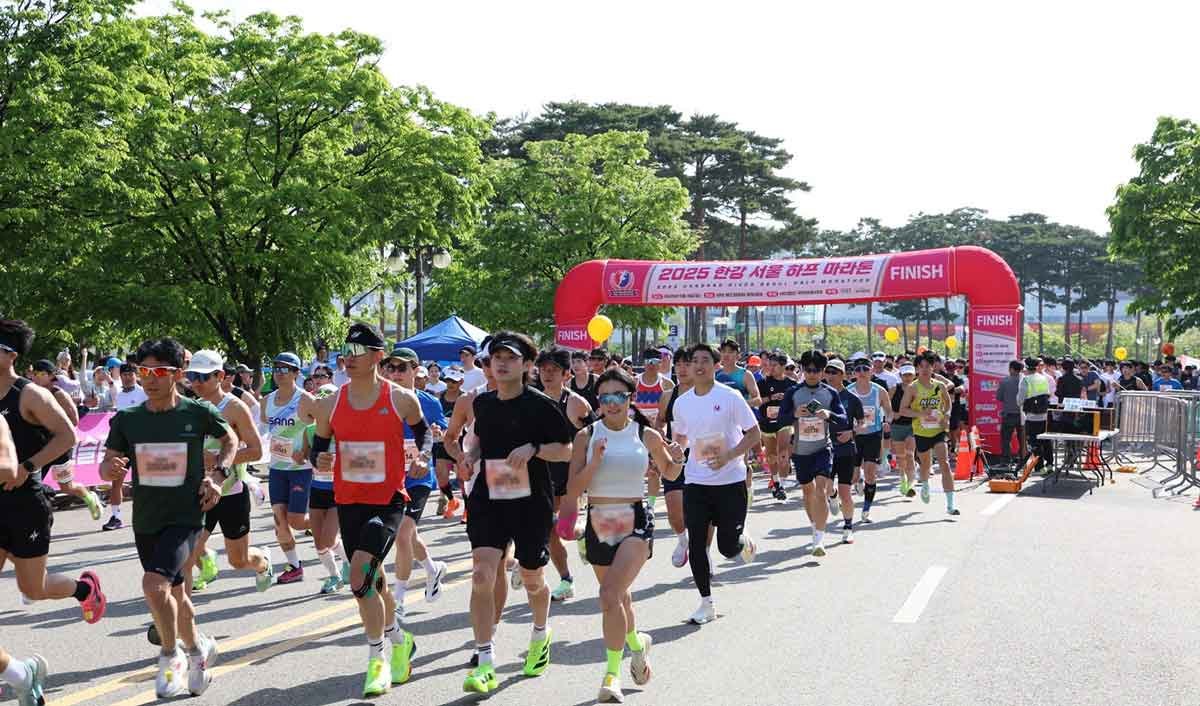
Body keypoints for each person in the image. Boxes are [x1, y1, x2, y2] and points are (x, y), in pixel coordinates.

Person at [100, 337, 231, 697]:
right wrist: (109, 468)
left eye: (158, 371)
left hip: (187, 515)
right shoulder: (128, 419)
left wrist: (218, 476)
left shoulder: (196, 411)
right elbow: (106, 463)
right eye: (143, 371)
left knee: (153, 585)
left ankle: (171, 656)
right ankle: (198, 649)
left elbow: (230, 439)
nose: (149, 378)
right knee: (174, 594)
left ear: (176, 374)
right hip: (147, 518)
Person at [310, 323, 431, 696]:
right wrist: (322, 457)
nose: (349, 357)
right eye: (346, 350)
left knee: (359, 576)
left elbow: (424, 433)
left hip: (389, 500)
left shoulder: (399, 399)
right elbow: (318, 447)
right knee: (372, 582)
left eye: (358, 350)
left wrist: (423, 457)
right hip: (349, 501)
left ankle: (376, 659)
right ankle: (400, 640)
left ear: (378, 355)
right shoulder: (331, 402)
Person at [451, 331, 574, 695]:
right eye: (496, 357)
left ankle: (540, 633)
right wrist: (470, 457)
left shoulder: (540, 405)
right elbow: (478, 442)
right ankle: (484, 661)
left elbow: (565, 450)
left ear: (527, 365)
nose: (502, 363)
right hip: (488, 497)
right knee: (481, 574)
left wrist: (534, 448)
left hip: (530, 502)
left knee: (531, 577)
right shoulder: (483, 404)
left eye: (511, 357)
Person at [559, 368, 684, 703]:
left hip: (634, 518)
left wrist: (678, 460)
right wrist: (594, 463)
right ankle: (637, 644)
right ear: (598, 401)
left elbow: (669, 471)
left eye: (619, 396)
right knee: (618, 598)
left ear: (630, 399)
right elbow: (572, 488)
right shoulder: (586, 436)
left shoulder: (645, 435)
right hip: (600, 519)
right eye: (605, 397)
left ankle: (611, 675)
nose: (612, 403)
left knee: (608, 593)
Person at [0, 319, 107, 624]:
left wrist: (27, 467)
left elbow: (67, 435)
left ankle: (85, 589)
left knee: (33, 587)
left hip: (24, 503)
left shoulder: (31, 394)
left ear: (12, 356)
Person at [670, 342, 760, 624]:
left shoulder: (731, 396)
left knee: (728, 548)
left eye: (705, 360)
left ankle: (742, 541)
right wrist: (675, 449)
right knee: (697, 544)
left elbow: (754, 433)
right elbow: (682, 438)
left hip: (731, 481)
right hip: (696, 482)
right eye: (693, 360)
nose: (698, 365)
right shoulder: (682, 403)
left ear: (716, 365)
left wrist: (730, 456)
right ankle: (706, 603)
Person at [179, 351, 274, 594]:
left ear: (220, 376)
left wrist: (220, 459)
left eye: (203, 377)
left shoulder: (235, 407)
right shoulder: (193, 408)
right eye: (192, 376)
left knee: (238, 561)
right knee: (187, 552)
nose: (197, 382)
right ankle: (184, 622)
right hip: (202, 491)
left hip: (231, 492)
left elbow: (255, 451)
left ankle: (263, 562)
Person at [380, 347, 449, 618]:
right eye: (391, 368)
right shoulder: (381, 401)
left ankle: (398, 600)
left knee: (403, 534)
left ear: (415, 370)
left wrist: (437, 433)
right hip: (389, 478)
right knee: (410, 537)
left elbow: (441, 432)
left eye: (402, 368)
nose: (395, 373)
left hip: (418, 478)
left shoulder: (428, 402)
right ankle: (433, 570)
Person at [534, 347, 593, 603]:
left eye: (553, 371)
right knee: (548, 528)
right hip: (540, 474)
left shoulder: (576, 404)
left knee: (562, 529)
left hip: (570, 476)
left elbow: (596, 436)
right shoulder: (533, 401)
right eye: (543, 370)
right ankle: (566, 579)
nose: (547, 375)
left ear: (566, 374)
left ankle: (580, 533)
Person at [777, 350, 846, 556]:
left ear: (823, 371)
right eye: (808, 370)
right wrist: (794, 414)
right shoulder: (793, 393)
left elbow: (843, 419)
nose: (812, 374)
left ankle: (819, 539)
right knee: (808, 492)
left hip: (822, 449)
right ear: (802, 370)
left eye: (816, 370)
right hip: (800, 450)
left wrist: (829, 414)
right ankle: (815, 526)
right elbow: (780, 420)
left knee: (820, 490)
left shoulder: (830, 393)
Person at [261, 352, 317, 584]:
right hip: (276, 469)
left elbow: (320, 430)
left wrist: (305, 451)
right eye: (276, 368)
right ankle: (294, 566)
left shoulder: (305, 400)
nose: (279, 373)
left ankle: (329, 522)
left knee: (296, 521)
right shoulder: (266, 401)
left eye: (285, 369)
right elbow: (264, 432)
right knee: (280, 522)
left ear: (296, 373)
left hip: (300, 469)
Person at [29, 359, 104, 520]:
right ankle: (34, 519)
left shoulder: (59, 394)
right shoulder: (31, 393)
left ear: (51, 376)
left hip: (61, 445)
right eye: (34, 374)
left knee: (66, 486)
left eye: (41, 374)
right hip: (41, 446)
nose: (36, 377)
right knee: (31, 482)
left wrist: (53, 425)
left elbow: (75, 419)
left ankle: (89, 497)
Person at [295, 383, 350, 594]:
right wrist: (297, 455)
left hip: (339, 490)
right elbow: (302, 456)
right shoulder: (309, 430)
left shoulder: (344, 429)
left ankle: (349, 562)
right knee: (319, 543)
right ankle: (334, 576)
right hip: (317, 488)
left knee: (329, 538)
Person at [901, 351, 958, 515]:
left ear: (933, 367)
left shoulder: (939, 386)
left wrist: (946, 415)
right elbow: (903, 410)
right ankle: (925, 484)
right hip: (921, 432)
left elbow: (948, 404)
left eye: (928, 366)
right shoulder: (913, 388)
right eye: (921, 366)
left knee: (944, 464)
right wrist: (920, 414)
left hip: (938, 431)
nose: (925, 369)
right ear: (917, 368)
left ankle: (950, 505)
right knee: (926, 464)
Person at [657, 347, 695, 568]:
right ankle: (683, 540)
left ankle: (704, 554)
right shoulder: (667, 395)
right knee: (674, 509)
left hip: (701, 458)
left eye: (686, 364)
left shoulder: (705, 394)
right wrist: (661, 434)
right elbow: (661, 421)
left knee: (702, 513)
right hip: (674, 457)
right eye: (678, 364)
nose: (681, 369)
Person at [712, 339, 763, 502]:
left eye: (730, 352)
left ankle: (746, 489)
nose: (726, 355)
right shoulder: (716, 375)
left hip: (741, 424)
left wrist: (738, 404)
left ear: (737, 355)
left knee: (742, 458)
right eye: (723, 352)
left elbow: (758, 399)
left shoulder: (745, 374)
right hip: (719, 424)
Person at [848, 357, 892, 524]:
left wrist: (887, 421)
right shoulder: (849, 391)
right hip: (853, 437)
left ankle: (866, 510)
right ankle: (857, 479)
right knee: (853, 476)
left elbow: (889, 411)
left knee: (870, 473)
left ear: (871, 371)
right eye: (858, 370)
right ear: (854, 373)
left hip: (873, 436)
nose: (862, 373)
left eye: (865, 369)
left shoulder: (879, 391)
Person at [825, 359, 862, 543]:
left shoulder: (852, 399)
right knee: (827, 488)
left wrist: (851, 432)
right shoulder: (820, 396)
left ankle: (848, 526)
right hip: (824, 449)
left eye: (835, 372)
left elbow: (863, 423)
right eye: (828, 372)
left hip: (846, 450)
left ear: (842, 375)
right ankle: (832, 497)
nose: (830, 376)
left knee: (845, 491)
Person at [758, 353, 796, 501]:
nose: (771, 368)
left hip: (784, 422)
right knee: (771, 455)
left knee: (782, 451)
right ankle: (777, 483)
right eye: (769, 365)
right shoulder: (763, 383)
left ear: (783, 366)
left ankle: (783, 479)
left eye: (774, 365)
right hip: (767, 423)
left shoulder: (791, 384)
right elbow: (756, 401)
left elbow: (797, 402)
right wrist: (771, 398)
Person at [434, 367, 465, 519]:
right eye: (448, 380)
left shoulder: (466, 398)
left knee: (462, 478)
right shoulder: (438, 398)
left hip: (461, 443)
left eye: (454, 381)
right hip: (442, 442)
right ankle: (452, 501)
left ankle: (468, 509)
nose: (450, 384)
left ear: (461, 382)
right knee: (441, 476)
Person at [889, 365, 918, 497]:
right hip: (897, 426)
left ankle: (912, 484)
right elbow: (884, 404)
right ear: (900, 376)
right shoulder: (895, 389)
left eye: (910, 375)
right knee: (901, 457)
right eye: (905, 375)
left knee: (910, 454)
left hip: (912, 425)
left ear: (914, 376)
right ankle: (903, 480)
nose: (907, 378)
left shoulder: (918, 389)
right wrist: (892, 414)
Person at [996, 360, 1025, 464]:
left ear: (1012, 369)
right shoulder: (1025, 381)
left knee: (1006, 439)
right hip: (1022, 414)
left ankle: (1006, 461)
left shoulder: (1005, 381)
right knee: (1022, 439)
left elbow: (999, 397)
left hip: (1008, 414)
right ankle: (1023, 459)